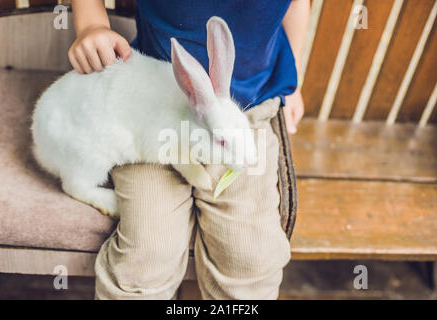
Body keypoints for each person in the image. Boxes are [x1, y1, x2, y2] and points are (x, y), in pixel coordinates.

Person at [69, 0, 310, 300]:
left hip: (249, 109)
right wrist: (92, 24)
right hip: (152, 105)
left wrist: (294, 79)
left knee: (250, 256)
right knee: (148, 253)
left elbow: (297, 4)